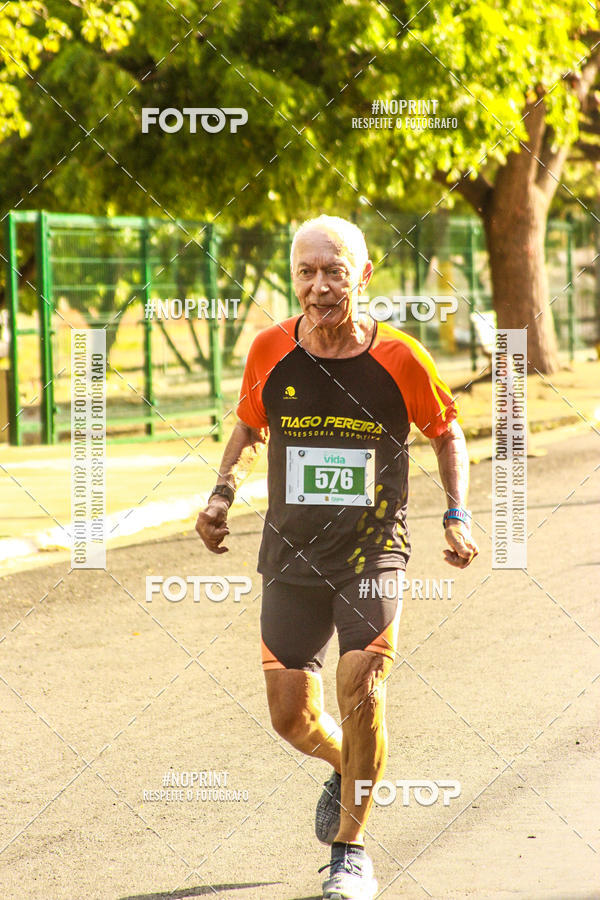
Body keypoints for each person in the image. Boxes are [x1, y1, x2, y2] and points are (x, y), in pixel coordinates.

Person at [196, 214, 479, 900]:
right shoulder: (270, 348)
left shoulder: (401, 359)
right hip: (291, 556)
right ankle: (347, 765)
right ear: (294, 276)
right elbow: (247, 423)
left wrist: (457, 512)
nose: (319, 287)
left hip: (372, 552)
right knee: (290, 717)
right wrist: (220, 492)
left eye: (334, 272)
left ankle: (349, 855)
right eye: (306, 272)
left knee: (361, 689)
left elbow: (448, 432)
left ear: (362, 275)